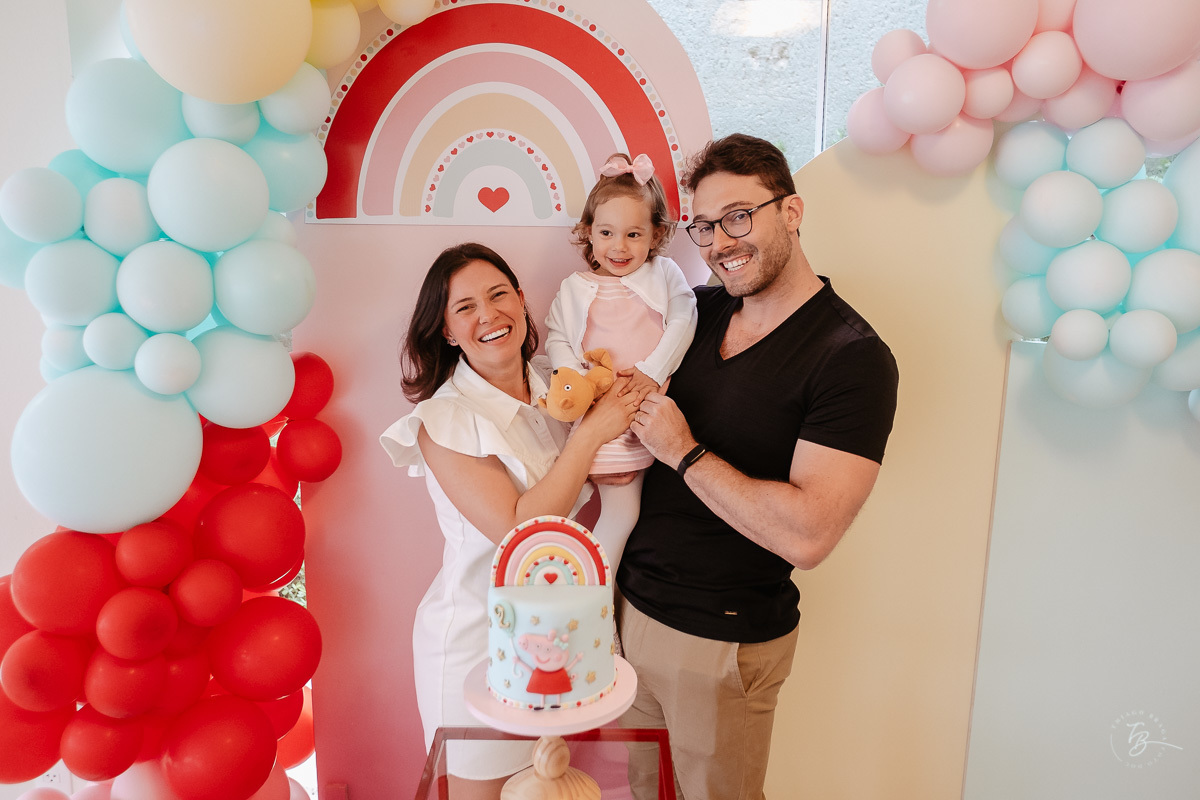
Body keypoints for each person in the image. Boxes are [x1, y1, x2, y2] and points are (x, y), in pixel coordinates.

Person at [618, 134, 900, 800]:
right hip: (630, 614)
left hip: (720, 642)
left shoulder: (851, 357)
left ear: (792, 212)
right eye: (704, 226)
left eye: (738, 217)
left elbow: (810, 535)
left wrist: (683, 451)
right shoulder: (697, 310)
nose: (720, 242)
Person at [379, 242, 639, 800]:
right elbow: (519, 528)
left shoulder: (557, 385)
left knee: (546, 786)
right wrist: (595, 432)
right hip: (477, 644)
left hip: (555, 638)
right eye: (465, 307)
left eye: (499, 295)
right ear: (447, 331)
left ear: (521, 301)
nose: (488, 314)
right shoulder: (442, 419)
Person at [545, 152, 696, 571]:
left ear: (656, 234)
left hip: (652, 410)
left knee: (651, 514)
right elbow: (557, 336)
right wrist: (573, 380)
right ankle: (591, 593)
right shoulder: (574, 288)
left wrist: (652, 369)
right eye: (607, 232)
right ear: (589, 232)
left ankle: (593, 588)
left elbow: (685, 318)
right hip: (603, 413)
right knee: (620, 513)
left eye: (633, 234)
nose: (619, 246)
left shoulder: (664, 273)